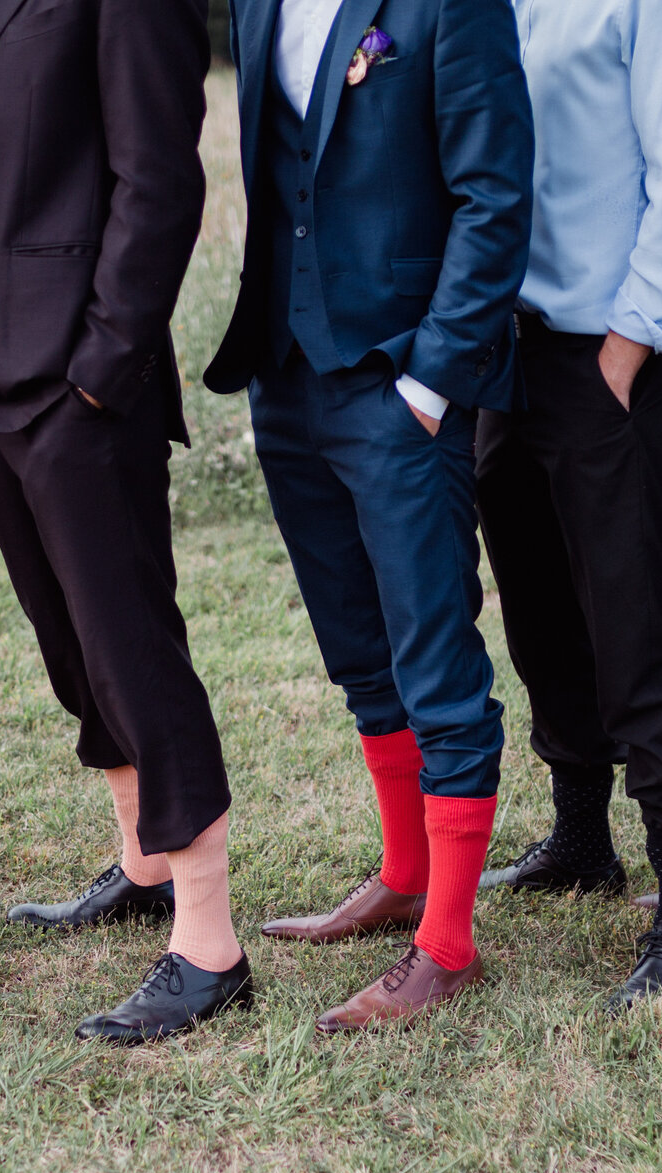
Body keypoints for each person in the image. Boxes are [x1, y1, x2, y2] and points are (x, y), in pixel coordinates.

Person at [0, 0, 248, 1044]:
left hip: (80, 387)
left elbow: (160, 181)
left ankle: (209, 942)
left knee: (131, 645)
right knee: (72, 648)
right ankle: (143, 864)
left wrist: (100, 372)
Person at [206, 0, 534, 1034]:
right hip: (285, 375)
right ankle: (400, 870)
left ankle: (446, 941)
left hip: (398, 379)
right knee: (356, 645)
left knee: (435, 657)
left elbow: (494, 196)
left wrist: (432, 380)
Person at [472, 0, 662, 1010]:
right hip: (508, 347)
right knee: (536, 608)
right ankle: (581, 841)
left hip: (611, 351)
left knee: (626, 621)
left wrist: (629, 340)